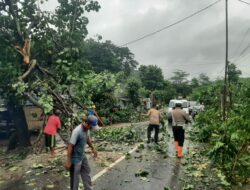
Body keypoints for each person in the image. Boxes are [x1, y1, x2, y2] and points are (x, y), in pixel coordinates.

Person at [64, 116, 98, 190]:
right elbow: (70, 146)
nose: (91, 128)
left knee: (86, 172)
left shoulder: (87, 129)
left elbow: (87, 139)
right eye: (91, 126)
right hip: (75, 158)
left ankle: (88, 188)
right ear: (87, 123)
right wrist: (68, 161)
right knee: (75, 178)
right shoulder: (77, 131)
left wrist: (93, 148)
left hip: (82, 155)